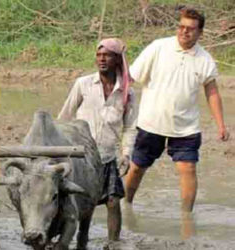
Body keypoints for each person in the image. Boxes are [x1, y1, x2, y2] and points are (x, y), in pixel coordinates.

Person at [124, 7, 230, 214]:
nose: (184, 32)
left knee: (188, 169)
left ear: (200, 32)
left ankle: (186, 218)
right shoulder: (158, 47)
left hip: (186, 126)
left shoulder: (205, 59)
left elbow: (212, 92)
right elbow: (131, 78)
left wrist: (221, 125)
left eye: (190, 29)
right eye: (181, 27)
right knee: (137, 167)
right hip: (151, 122)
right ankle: (124, 207)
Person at [58, 38, 137, 241]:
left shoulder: (127, 93)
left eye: (107, 55)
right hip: (80, 155)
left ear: (118, 60)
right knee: (77, 199)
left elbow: (129, 127)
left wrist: (126, 154)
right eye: (99, 55)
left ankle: (113, 243)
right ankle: (80, 237)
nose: (102, 59)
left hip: (107, 155)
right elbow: (65, 116)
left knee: (113, 201)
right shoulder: (83, 84)